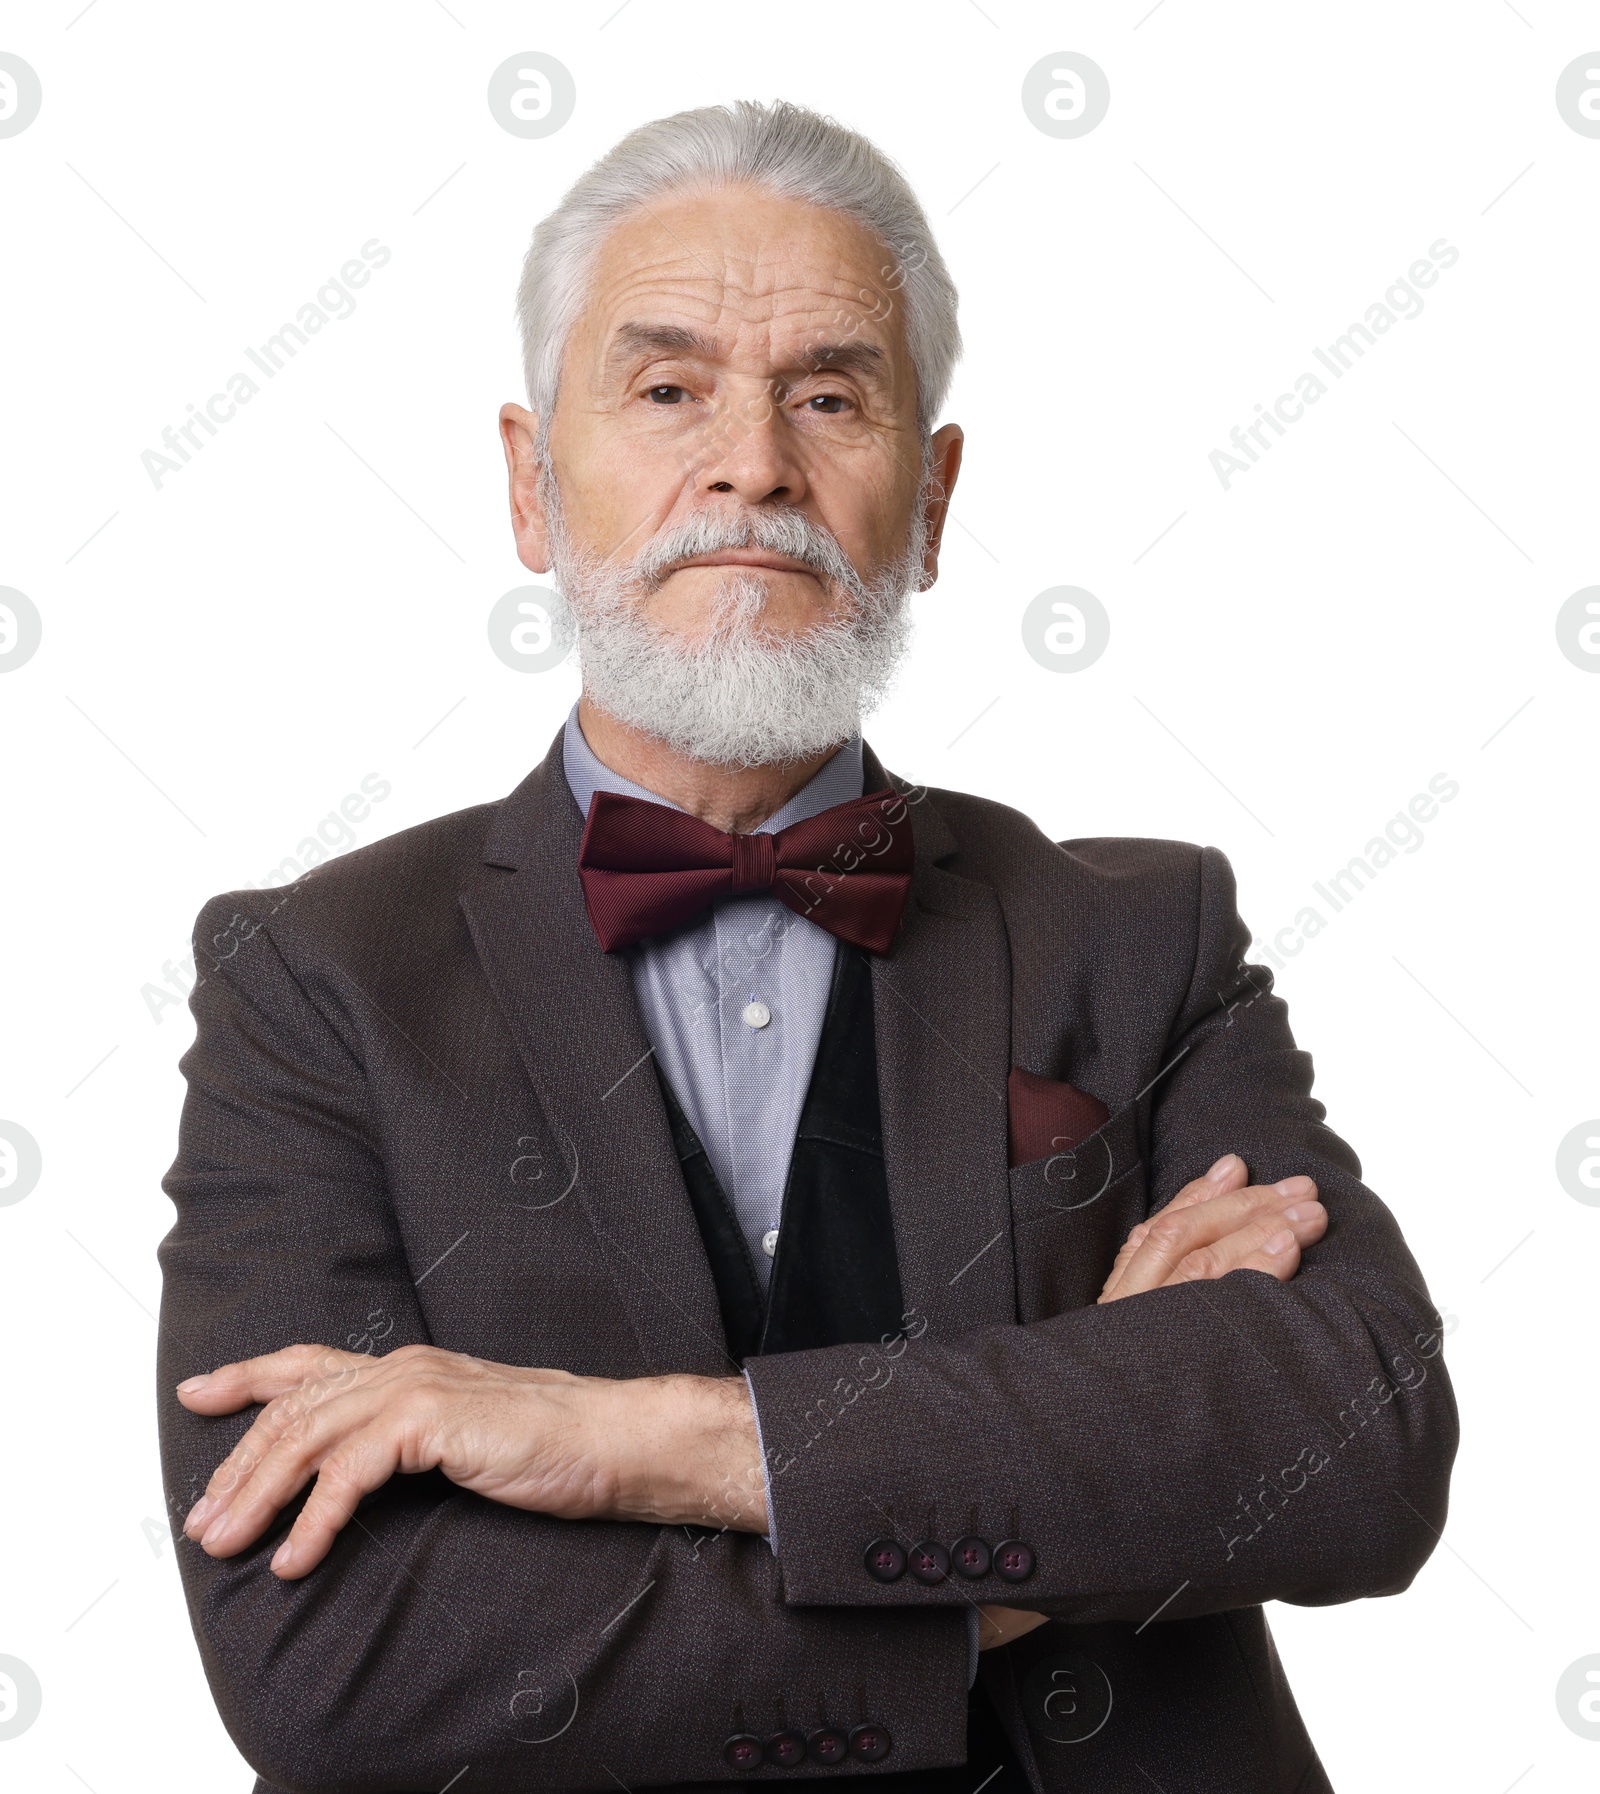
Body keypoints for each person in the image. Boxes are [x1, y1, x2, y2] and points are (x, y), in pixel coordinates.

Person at [157, 100, 1457, 1793]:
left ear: (929, 496)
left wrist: (645, 1441)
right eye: (670, 388)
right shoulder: (313, 981)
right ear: (532, 484)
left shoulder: (1144, 934)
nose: (754, 465)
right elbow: (333, 1658)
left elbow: (1357, 1437)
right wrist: (1026, 1534)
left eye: (829, 394)